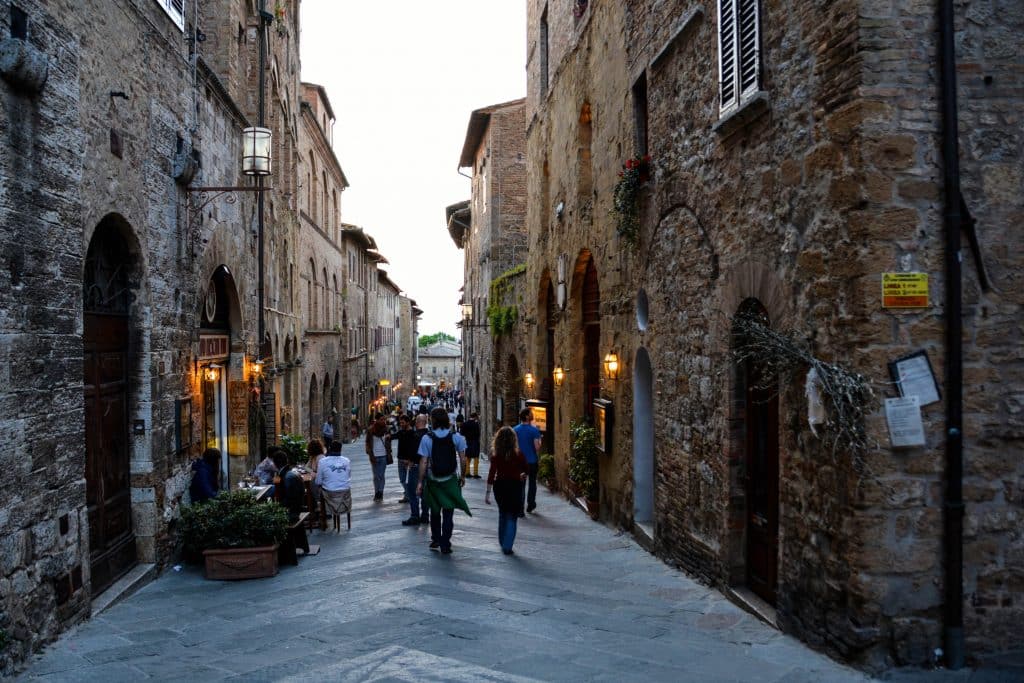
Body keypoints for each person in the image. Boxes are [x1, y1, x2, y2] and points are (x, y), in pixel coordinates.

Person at [416, 407, 471, 554]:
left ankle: (435, 538)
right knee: (448, 513)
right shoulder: (456, 437)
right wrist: (463, 475)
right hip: (450, 480)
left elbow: (423, 462)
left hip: (434, 481)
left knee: (435, 512)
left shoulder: (427, 438)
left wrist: (420, 482)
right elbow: (463, 458)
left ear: (432, 420)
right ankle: (445, 543)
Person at [484, 426, 528, 555]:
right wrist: (521, 474)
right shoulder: (518, 454)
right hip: (514, 486)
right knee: (512, 516)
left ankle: (502, 541)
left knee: (502, 513)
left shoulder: (495, 454)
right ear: (513, 439)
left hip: (500, 486)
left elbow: (492, 473)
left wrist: (487, 493)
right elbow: (526, 469)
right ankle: (507, 546)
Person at [394, 413, 425, 525]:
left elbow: (415, 452)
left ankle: (415, 516)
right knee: (424, 493)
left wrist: (409, 461)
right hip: (426, 467)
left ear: (417, 422)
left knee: (413, 492)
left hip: (415, 466)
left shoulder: (415, 435)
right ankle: (425, 516)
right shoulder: (429, 435)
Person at [315, 440, 352, 532]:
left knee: (319, 489)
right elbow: (348, 476)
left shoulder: (323, 461)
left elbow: (318, 481)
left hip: (330, 493)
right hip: (345, 492)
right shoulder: (346, 461)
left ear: (329, 449)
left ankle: (323, 514)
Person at [513, 408, 543, 514]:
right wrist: (540, 442)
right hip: (531, 461)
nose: (532, 415)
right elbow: (537, 448)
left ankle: (520, 509)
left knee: (520, 485)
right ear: (526, 416)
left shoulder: (515, 429)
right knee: (532, 483)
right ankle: (530, 504)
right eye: (531, 413)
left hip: (519, 462)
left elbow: (514, 446)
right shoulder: (534, 430)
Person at [272, 450, 306, 521]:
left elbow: (289, 500)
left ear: (275, 463)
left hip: (292, 513)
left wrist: (276, 508)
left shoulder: (287, 476)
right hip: (296, 509)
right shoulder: (288, 473)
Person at [365, 415, 392, 501]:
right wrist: (369, 451)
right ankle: (377, 492)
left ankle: (380, 492)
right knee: (376, 476)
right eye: (381, 419)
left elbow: (389, 440)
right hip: (374, 456)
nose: (383, 421)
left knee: (381, 475)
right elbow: (367, 442)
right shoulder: (370, 430)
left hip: (383, 455)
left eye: (384, 419)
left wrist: (389, 448)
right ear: (376, 420)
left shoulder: (387, 429)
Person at [460, 412, 482, 479]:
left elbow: (461, 433)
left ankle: (467, 472)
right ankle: (475, 473)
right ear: (475, 417)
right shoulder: (476, 424)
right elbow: (478, 433)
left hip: (468, 442)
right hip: (475, 441)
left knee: (468, 457)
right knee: (476, 457)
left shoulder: (465, 424)